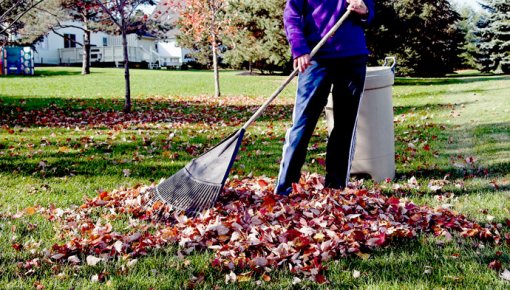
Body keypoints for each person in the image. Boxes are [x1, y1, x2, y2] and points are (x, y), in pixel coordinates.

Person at [275, 0, 375, 195]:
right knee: (302, 123)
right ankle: (285, 188)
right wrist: (299, 48)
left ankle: (336, 188)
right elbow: (291, 15)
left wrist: (364, 11)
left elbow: (369, 13)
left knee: (345, 126)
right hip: (315, 59)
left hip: (352, 58)